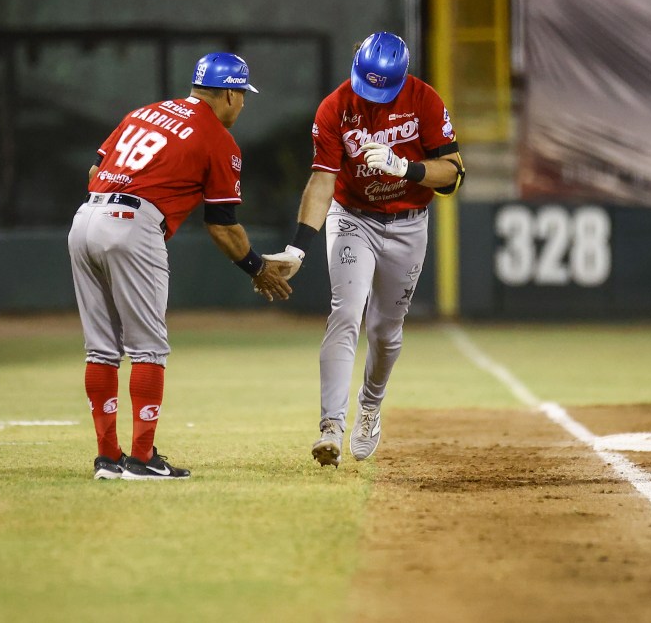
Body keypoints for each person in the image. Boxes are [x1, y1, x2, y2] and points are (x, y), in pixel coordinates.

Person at [68, 52, 293, 481]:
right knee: (148, 349)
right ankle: (141, 458)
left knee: (101, 350)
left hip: (85, 220)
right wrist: (256, 267)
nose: (243, 104)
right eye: (243, 96)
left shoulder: (143, 113)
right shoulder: (218, 139)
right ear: (229, 94)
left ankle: (108, 458)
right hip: (132, 224)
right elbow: (222, 225)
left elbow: (96, 169)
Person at [264, 31, 465, 467]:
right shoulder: (334, 107)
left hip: (408, 224)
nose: (372, 98)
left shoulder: (425, 100)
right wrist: (298, 248)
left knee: (386, 331)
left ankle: (370, 405)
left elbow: (452, 173)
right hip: (352, 217)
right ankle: (331, 427)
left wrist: (405, 167)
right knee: (346, 312)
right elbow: (322, 180)